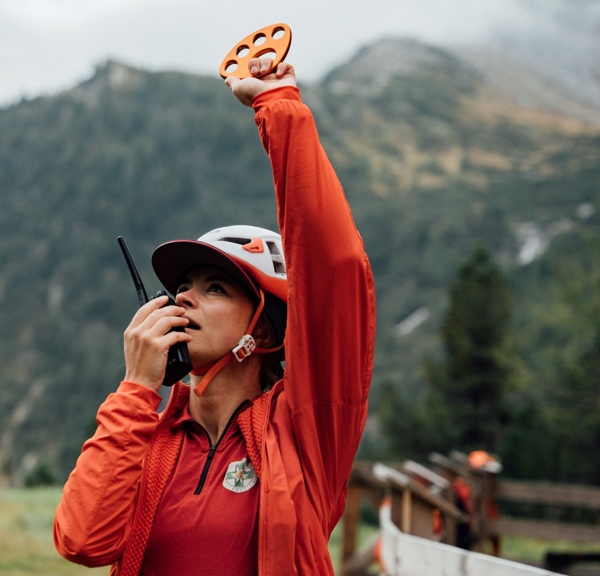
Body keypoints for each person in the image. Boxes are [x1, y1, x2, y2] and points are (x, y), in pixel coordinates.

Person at [53, 57, 376, 576]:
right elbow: (82, 542)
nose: (183, 298)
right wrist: (137, 388)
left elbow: (335, 267)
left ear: (263, 329)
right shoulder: (146, 432)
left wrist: (279, 108)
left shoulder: (305, 431)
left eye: (215, 288)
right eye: (181, 287)